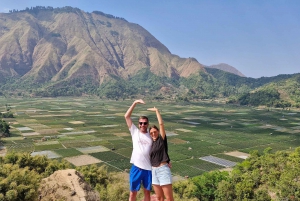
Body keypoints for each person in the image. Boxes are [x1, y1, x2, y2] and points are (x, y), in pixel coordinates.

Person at [124, 99, 152, 201]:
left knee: (147, 193)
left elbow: (160, 148)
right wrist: (135, 103)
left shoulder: (151, 135)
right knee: (132, 193)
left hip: (148, 169)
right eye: (140, 123)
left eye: (145, 123)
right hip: (137, 168)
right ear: (138, 124)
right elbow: (126, 116)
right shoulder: (134, 132)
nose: (142, 125)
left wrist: (167, 160)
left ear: (148, 124)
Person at [147, 107, 174, 201]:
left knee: (169, 198)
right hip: (153, 171)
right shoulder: (151, 144)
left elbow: (161, 124)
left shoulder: (161, 140)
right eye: (151, 133)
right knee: (159, 198)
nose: (153, 134)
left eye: (155, 132)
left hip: (163, 170)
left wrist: (157, 111)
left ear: (158, 132)